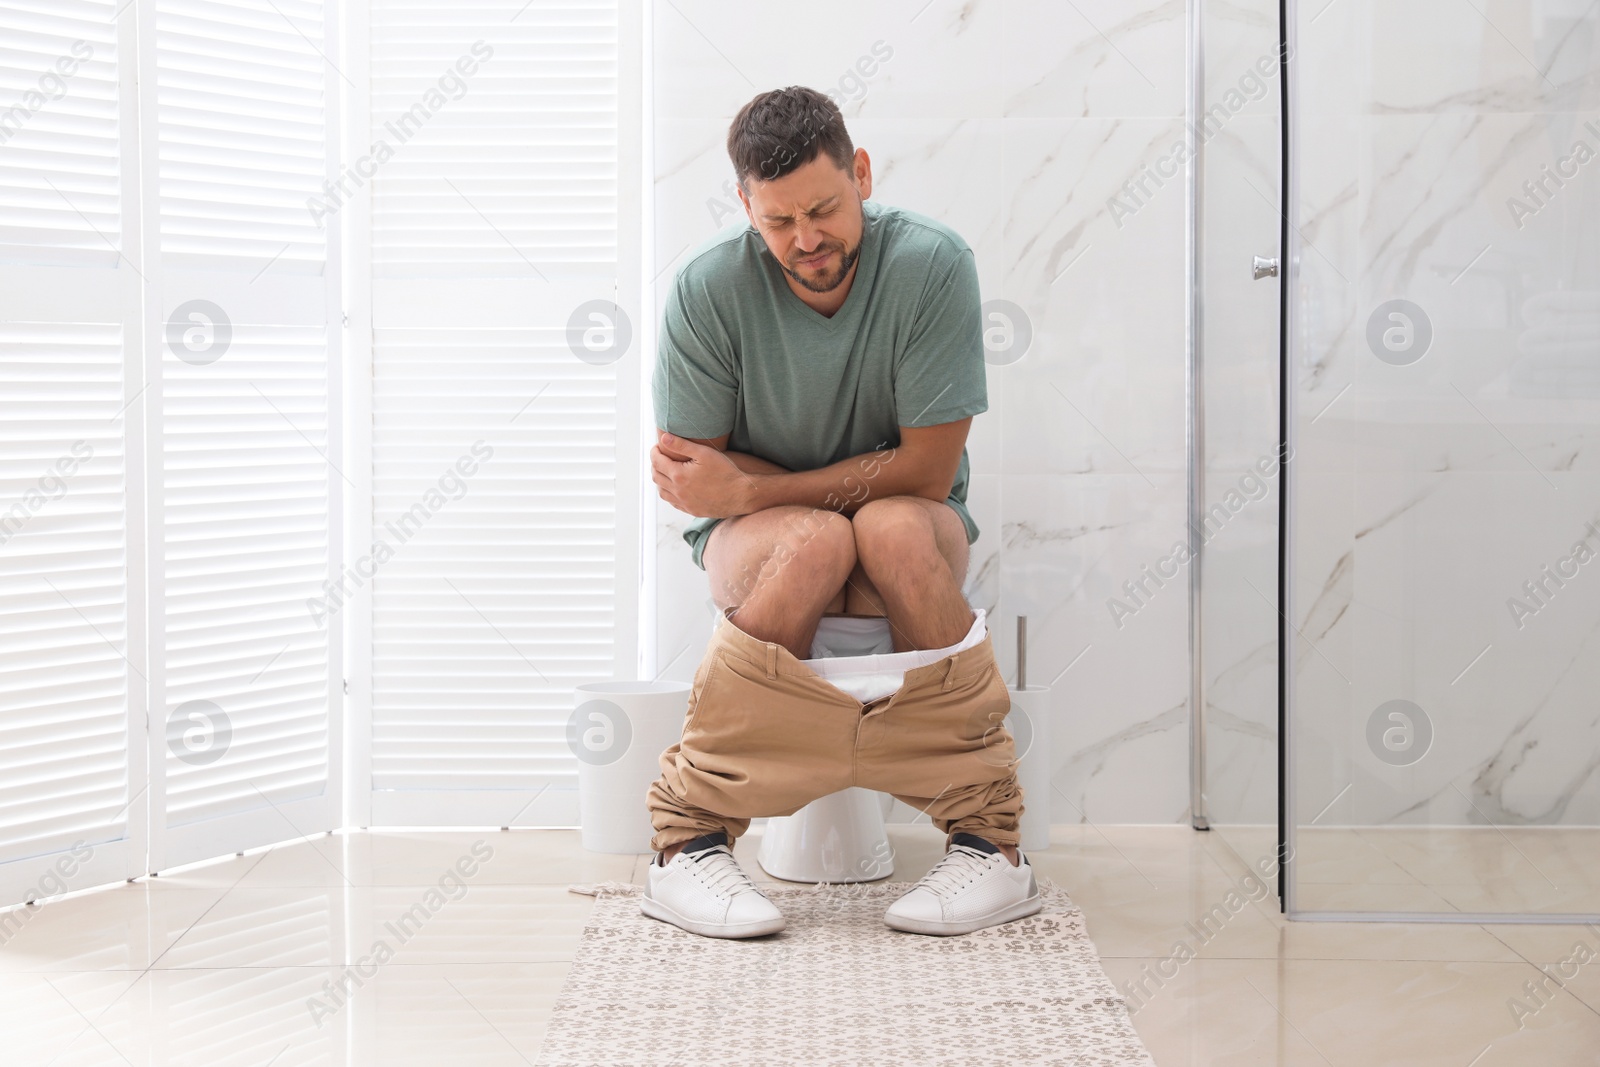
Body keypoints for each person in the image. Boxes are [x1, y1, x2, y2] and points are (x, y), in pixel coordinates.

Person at [642, 85, 1038, 939]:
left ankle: (991, 846)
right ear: (744, 205)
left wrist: (751, 488)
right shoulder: (707, 290)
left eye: (823, 209)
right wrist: (777, 501)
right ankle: (689, 845)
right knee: (817, 543)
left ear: (860, 174)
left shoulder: (931, 263)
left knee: (888, 526)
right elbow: (690, 475)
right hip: (773, 548)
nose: (806, 239)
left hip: (904, 524)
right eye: (778, 221)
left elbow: (927, 474)